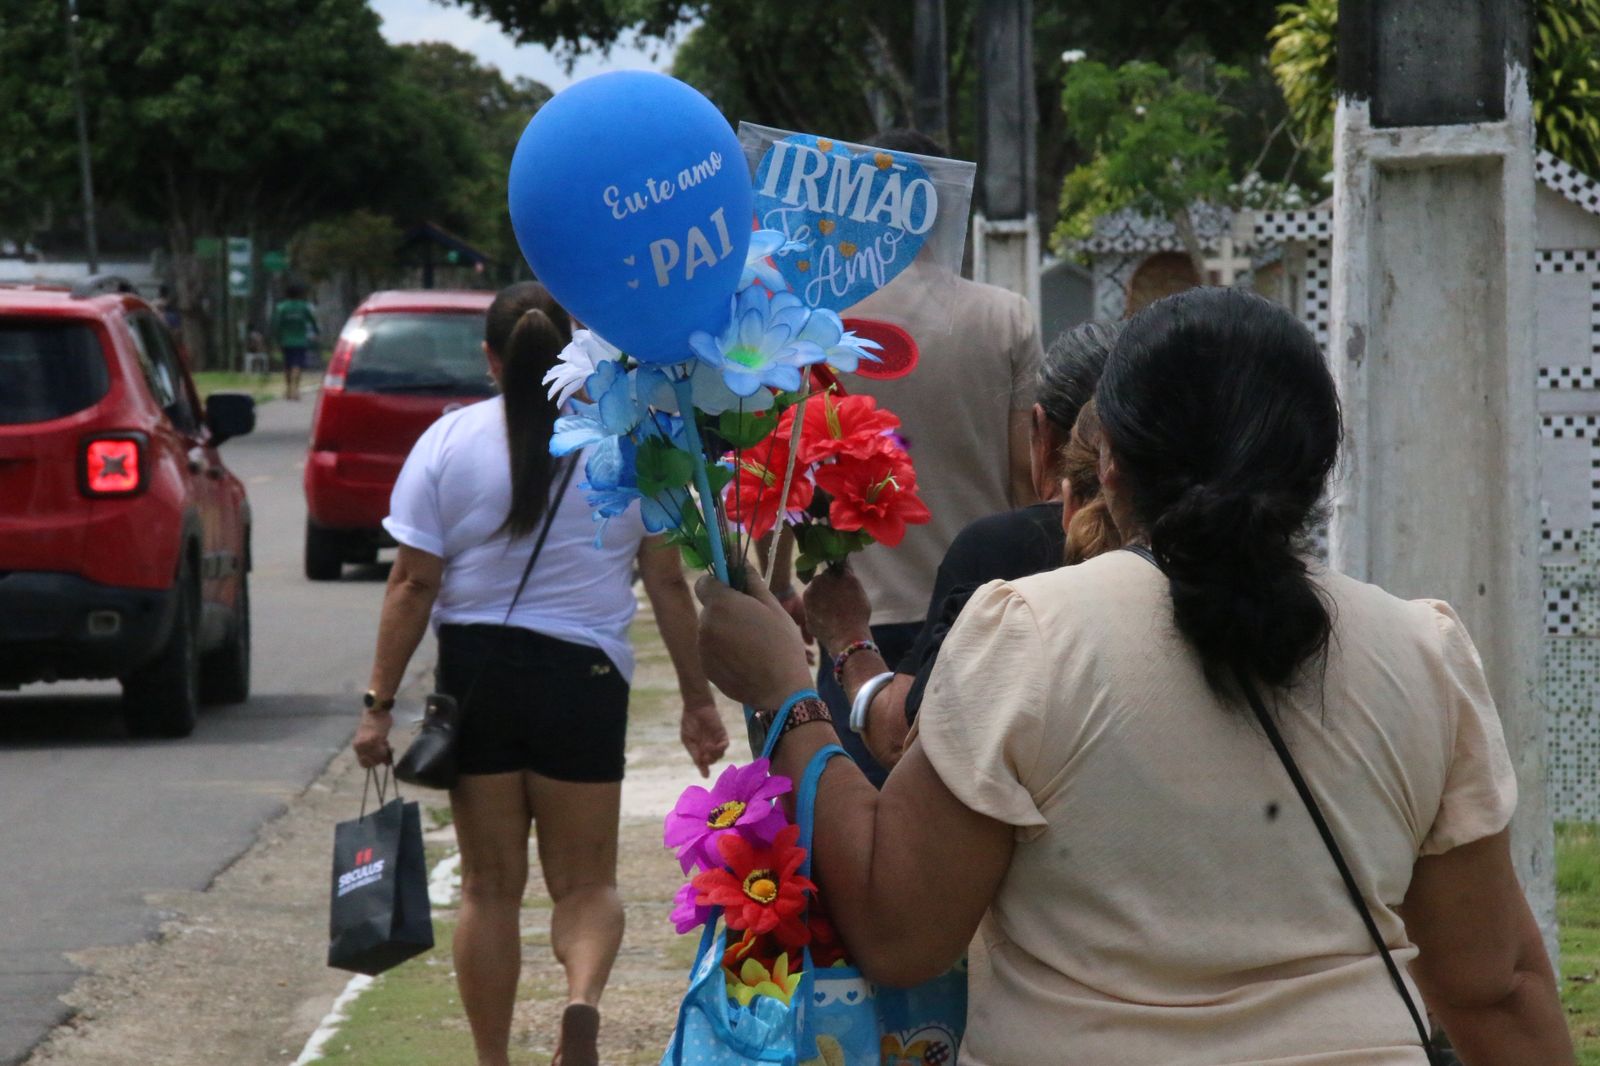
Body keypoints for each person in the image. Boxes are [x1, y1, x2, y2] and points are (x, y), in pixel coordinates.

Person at [696, 288, 1574, 1065]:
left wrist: (787, 693)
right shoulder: (1422, 653)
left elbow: (901, 929)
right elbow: (1496, 989)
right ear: (1312, 475)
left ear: (1106, 460)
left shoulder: (1033, 634)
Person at [352, 282, 729, 1066]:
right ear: (574, 350)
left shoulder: (447, 444)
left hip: (477, 680)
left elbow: (412, 585)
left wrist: (378, 707)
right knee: (587, 885)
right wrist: (698, 700)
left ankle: (493, 1060)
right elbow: (666, 582)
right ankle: (581, 1004)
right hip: (584, 679)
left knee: (489, 890)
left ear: (490, 360)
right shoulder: (624, 443)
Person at [777, 127, 1045, 786]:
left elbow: (783, 472)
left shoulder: (813, 320)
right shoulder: (1005, 318)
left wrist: (784, 584)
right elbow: (1026, 479)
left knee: (858, 831)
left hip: (853, 618)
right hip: (982, 618)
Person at [804, 322, 1120, 770]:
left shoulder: (999, 549)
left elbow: (904, 740)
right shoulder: (1196, 541)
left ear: (1041, 430)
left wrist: (847, 637)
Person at [271, 282, 319, 400]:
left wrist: (276, 338)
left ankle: (288, 389)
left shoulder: (282, 307)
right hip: (300, 341)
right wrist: (316, 332)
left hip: (285, 340)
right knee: (297, 365)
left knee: (287, 365)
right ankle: (296, 389)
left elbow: (277, 324)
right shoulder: (303, 307)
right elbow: (312, 321)